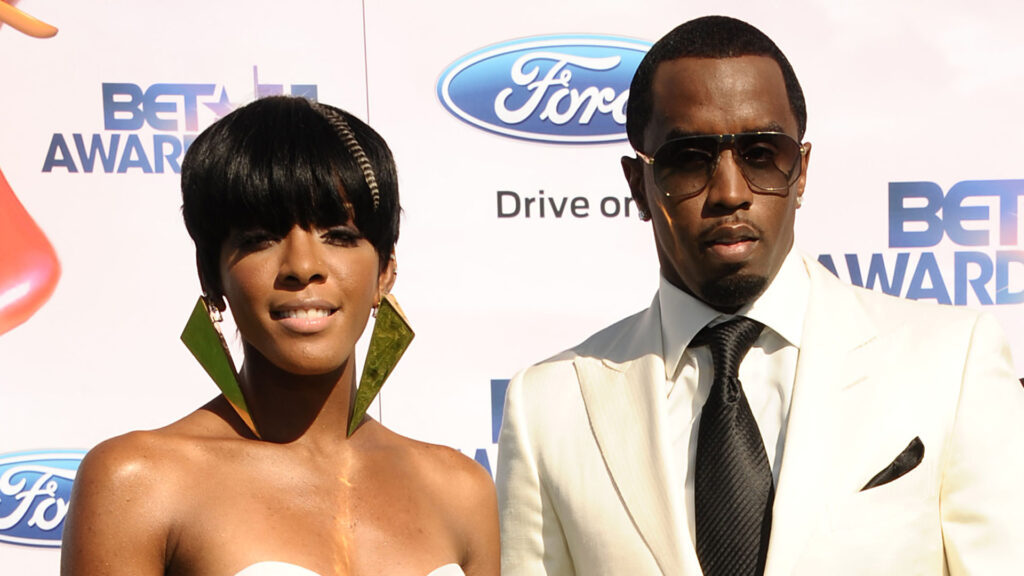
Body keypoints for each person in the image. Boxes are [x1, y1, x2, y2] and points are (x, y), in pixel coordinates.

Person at [496, 15, 1024, 576]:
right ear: (638, 185)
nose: (729, 192)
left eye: (761, 153)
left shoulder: (951, 362)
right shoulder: (549, 407)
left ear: (801, 173)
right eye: (690, 159)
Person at [61, 96, 499, 576]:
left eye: (339, 235)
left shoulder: (461, 489)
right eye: (259, 238)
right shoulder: (138, 481)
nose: (303, 267)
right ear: (210, 275)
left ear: (385, 271)